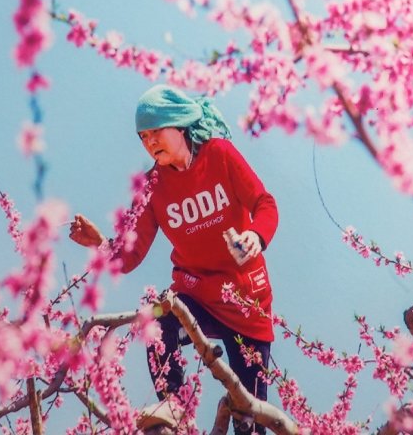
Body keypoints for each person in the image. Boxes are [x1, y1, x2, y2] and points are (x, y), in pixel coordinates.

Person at [69, 84, 278, 434]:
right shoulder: (152, 186)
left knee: (251, 418)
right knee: (158, 316)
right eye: (143, 136)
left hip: (246, 300)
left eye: (155, 132)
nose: (150, 142)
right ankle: (175, 409)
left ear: (180, 126)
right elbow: (130, 255)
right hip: (194, 294)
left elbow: (265, 204)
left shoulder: (220, 155)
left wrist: (255, 236)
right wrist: (100, 244)